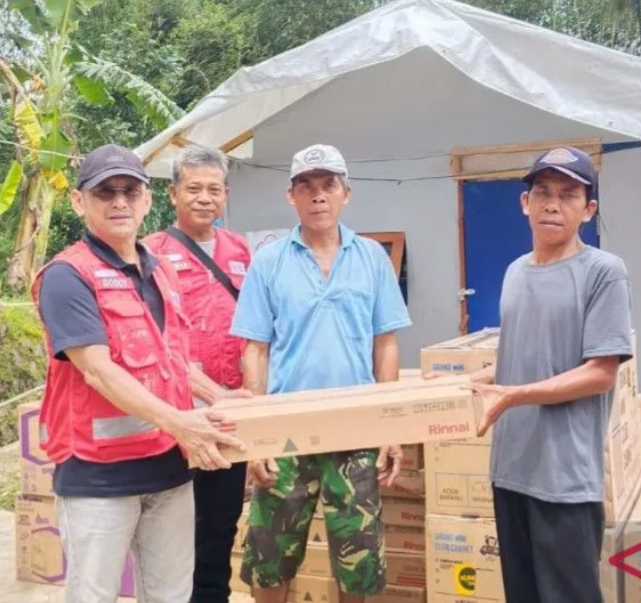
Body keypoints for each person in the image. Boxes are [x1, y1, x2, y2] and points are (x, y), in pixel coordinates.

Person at [29, 144, 249, 603]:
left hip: (168, 471)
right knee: (95, 596)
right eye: (105, 192)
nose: (119, 202)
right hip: (99, 479)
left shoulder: (160, 270)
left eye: (130, 190)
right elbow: (98, 371)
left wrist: (218, 397)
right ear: (78, 201)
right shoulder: (69, 276)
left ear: (147, 199)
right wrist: (182, 424)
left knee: (171, 595)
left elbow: (173, 360)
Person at [231, 143, 412, 603]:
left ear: (345, 193)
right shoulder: (269, 261)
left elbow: (385, 344)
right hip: (286, 434)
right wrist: (257, 438)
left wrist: (390, 426)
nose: (318, 197)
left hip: (355, 431)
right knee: (269, 562)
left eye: (328, 185)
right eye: (306, 187)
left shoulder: (371, 257)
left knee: (359, 564)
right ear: (290, 196)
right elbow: (256, 349)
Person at [462, 146, 634, 603]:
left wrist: (514, 394)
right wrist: (475, 379)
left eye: (567, 194)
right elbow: (523, 353)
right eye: (542, 193)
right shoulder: (516, 271)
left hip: (564, 480)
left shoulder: (603, 272)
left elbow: (601, 372)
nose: (552, 204)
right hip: (510, 470)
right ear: (525, 204)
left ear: (588, 209)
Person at [143, 145, 252, 603]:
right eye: (193, 189)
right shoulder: (149, 254)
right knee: (172, 529)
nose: (204, 198)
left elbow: (255, 331)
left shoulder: (242, 250)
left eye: (214, 189)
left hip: (230, 413)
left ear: (226, 194)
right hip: (177, 415)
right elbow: (153, 340)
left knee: (220, 526)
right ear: (173, 194)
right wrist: (209, 393)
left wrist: (249, 394)